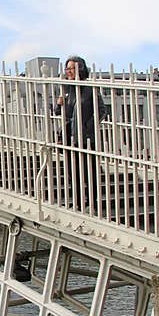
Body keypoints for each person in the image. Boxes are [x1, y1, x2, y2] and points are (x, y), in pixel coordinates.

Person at [53, 55, 100, 211]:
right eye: (67, 69)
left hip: (86, 137)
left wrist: (87, 127)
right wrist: (59, 104)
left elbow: (101, 111)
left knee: (90, 171)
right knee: (73, 172)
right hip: (70, 137)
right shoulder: (67, 89)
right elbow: (60, 112)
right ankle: (79, 203)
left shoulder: (89, 89)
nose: (69, 72)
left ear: (80, 69)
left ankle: (93, 203)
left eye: (72, 68)